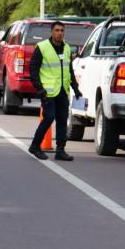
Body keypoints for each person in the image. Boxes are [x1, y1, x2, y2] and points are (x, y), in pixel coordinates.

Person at [27, 21, 82, 161]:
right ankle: (35, 146)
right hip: (48, 91)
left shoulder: (67, 48)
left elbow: (69, 70)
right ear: (51, 32)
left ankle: (60, 150)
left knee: (62, 120)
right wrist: (39, 88)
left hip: (63, 90)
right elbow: (33, 68)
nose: (59, 33)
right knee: (49, 117)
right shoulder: (42, 47)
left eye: (62, 30)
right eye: (57, 30)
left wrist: (76, 88)